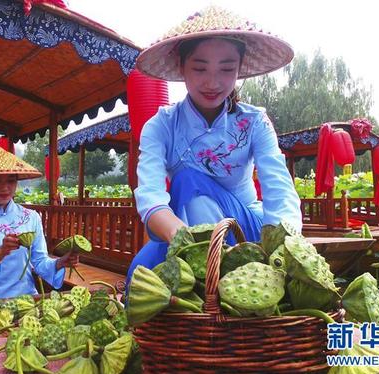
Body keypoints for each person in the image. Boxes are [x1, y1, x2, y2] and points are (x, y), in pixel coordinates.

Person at [126, 6, 302, 282]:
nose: (213, 82)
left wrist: (283, 250)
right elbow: (150, 196)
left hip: (246, 229)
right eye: (199, 68)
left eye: (227, 68)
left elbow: (279, 191)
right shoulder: (160, 126)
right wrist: (185, 241)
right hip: (182, 228)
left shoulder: (255, 122)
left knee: (187, 180)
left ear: (239, 69)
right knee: (137, 278)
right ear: (181, 66)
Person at [0, 146, 79, 302]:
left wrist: (60, 262)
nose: (5, 188)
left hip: (25, 300)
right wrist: (1, 251)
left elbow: (39, 261)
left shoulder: (31, 217)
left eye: (11, 181)